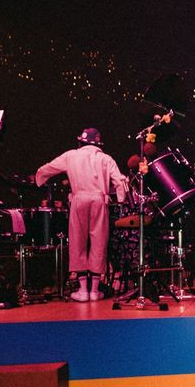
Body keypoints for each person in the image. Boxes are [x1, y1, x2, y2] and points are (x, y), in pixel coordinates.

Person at [35, 127, 129, 301]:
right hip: (99, 200)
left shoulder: (71, 155)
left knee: (78, 242)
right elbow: (119, 181)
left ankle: (82, 290)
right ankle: (94, 291)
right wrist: (121, 201)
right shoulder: (105, 158)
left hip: (79, 199)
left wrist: (38, 179)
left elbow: (49, 168)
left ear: (81, 141)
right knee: (98, 242)